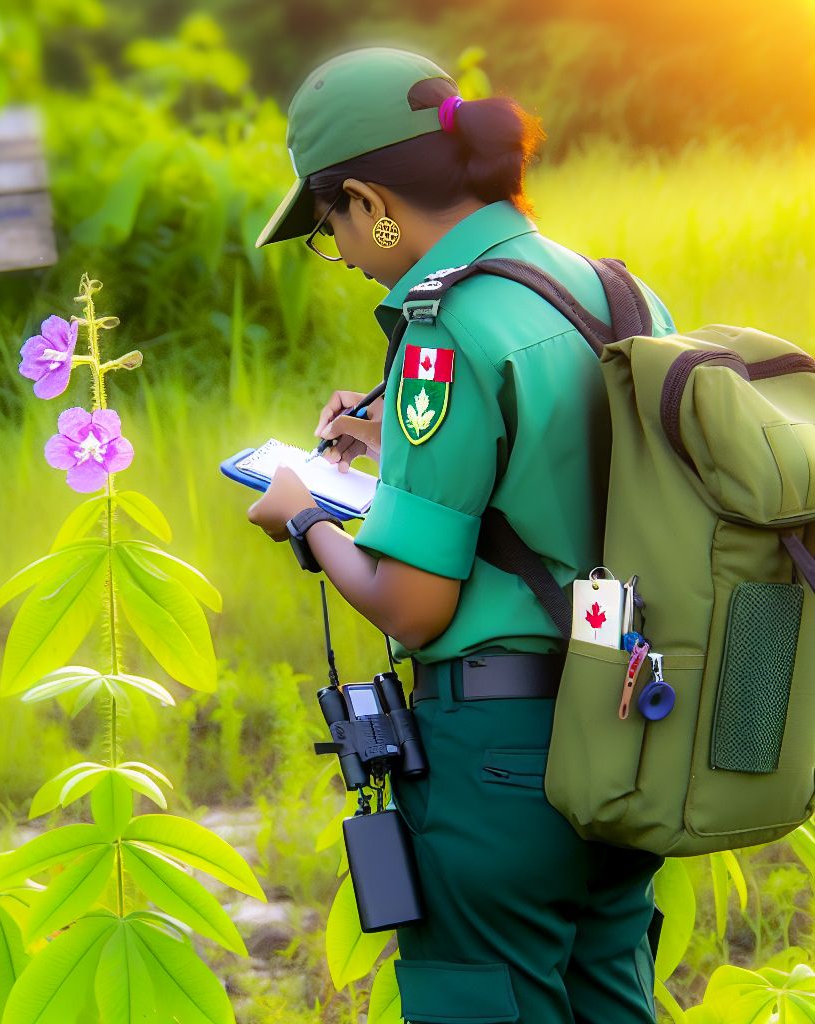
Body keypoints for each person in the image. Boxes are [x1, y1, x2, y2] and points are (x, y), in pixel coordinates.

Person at [246, 45, 677, 1024]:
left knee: (478, 995)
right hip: (625, 721)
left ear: (371, 198)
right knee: (609, 990)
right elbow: (570, 481)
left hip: (500, 761)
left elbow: (414, 601)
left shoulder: (443, 330)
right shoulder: (614, 293)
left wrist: (306, 513)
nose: (346, 251)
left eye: (330, 227)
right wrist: (382, 443)